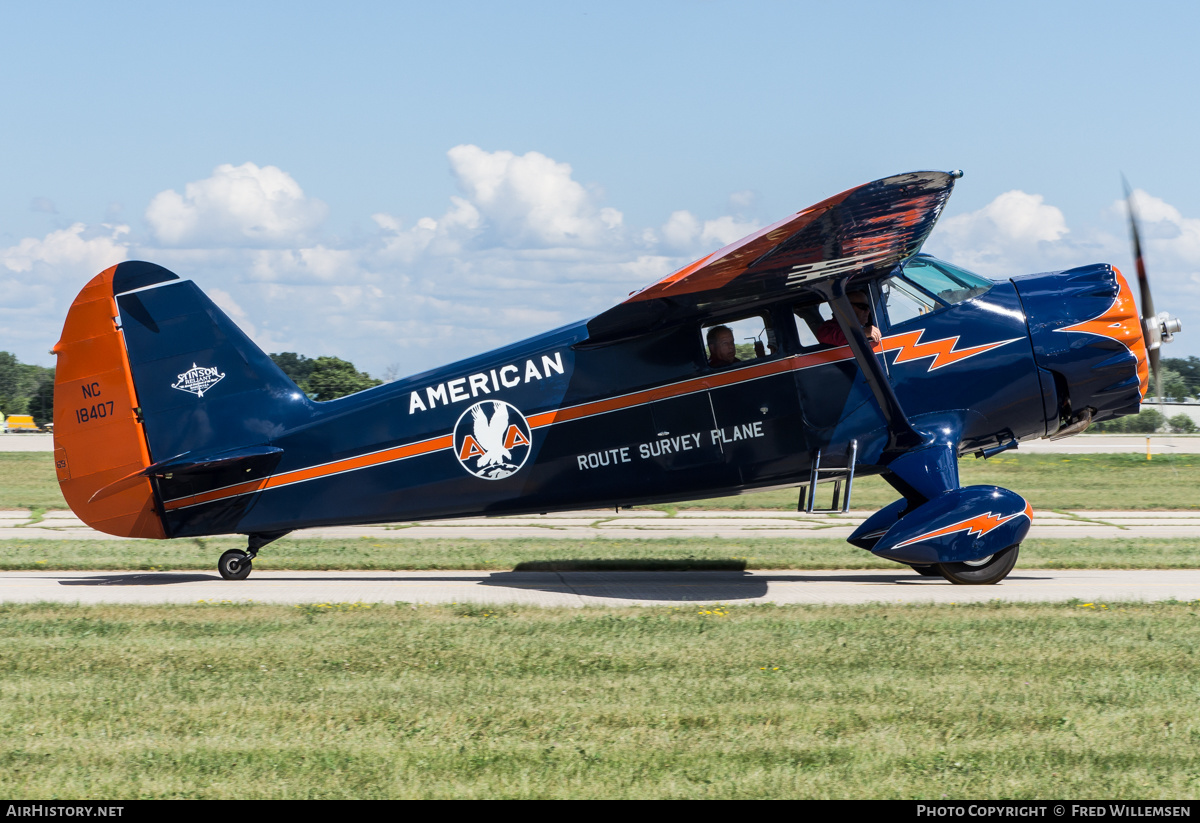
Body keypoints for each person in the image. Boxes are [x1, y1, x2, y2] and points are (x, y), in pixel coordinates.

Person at [817, 291, 882, 347]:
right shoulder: (826, 329)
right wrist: (863, 333)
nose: (868, 311)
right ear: (846, 307)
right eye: (863, 307)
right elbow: (838, 337)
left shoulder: (861, 327)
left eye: (868, 307)